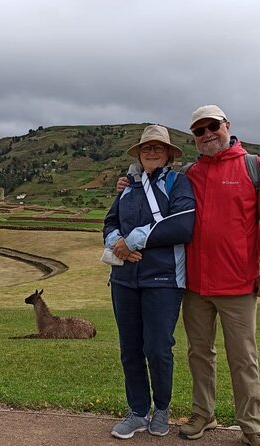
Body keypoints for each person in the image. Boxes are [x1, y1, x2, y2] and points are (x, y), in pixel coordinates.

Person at [116, 106, 260, 446]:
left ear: (227, 126)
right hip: (194, 284)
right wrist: (128, 182)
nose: (207, 134)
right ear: (194, 138)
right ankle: (203, 414)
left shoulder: (256, 168)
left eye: (213, 127)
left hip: (238, 284)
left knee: (242, 357)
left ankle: (252, 425)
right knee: (199, 353)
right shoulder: (190, 174)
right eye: (199, 130)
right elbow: (157, 191)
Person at [103, 124, 196, 439]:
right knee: (130, 348)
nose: (152, 152)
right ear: (139, 154)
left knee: (157, 347)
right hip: (124, 278)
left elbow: (182, 225)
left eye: (158, 147)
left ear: (169, 153)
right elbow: (111, 220)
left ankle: (162, 408)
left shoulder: (178, 183)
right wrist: (118, 245)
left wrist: (134, 241)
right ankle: (138, 411)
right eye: (146, 148)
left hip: (163, 279)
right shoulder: (128, 186)